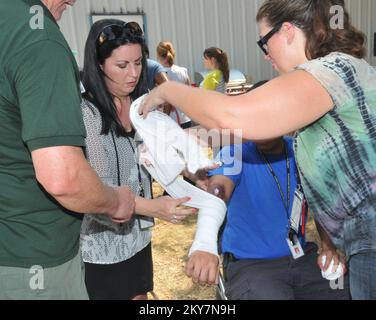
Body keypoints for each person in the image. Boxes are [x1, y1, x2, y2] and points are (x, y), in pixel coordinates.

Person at [140, 0, 376, 299]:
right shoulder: (327, 96)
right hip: (287, 260)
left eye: (265, 42)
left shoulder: (331, 70)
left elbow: (236, 117)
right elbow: (222, 183)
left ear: (287, 31)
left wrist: (167, 89)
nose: (266, 56)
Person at [0, 0, 137, 300]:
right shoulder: (38, 38)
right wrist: (117, 202)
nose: (72, 1)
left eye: (138, 63)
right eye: (123, 64)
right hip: (33, 255)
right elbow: (63, 177)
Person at [188, 81, 350, 300]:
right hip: (252, 266)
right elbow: (217, 193)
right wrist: (204, 244)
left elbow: (318, 200)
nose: (257, 124)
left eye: (266, 115)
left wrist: (328, 247)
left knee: (348, 288)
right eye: (252, 115)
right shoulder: (234, 153)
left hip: (301, 258)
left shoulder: (300, 151)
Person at [80, 19, 197, 300]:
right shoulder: (87, 114)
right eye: (122, 66)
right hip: (102, 246)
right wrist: (153, 207)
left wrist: (191, 168)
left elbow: (156, 158)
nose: (133, 74)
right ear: (98, 64)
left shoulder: (139, 106)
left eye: (138, 63)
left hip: (138, 236)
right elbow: (98, 188)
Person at [156, 41, 193, 129]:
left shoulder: (159, 75)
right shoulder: (183, 70)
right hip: (185, 118)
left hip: (169, 120)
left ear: (158, 56)